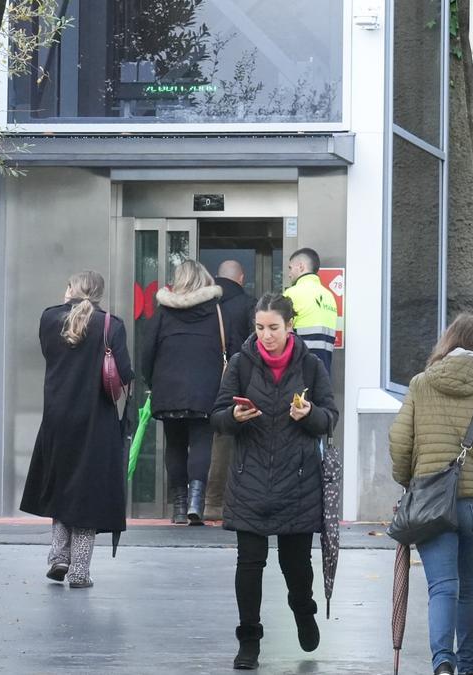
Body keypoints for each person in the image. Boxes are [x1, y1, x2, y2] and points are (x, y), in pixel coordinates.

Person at [388, 314, 473, 675]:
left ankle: (442, 664)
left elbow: (400, 442)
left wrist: (409, 482)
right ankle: (468, 667)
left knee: (442, 587)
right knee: (469, 587)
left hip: (432, 502)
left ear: (447, 344)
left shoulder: (420, 384)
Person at [211, 293, 338, 670]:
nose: (266, 335)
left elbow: (330, 418)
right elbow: (217, 417)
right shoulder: (241, 364)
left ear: (289, 326)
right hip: (249, 480)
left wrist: (310, 413)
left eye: (273, 328)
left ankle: (303, 608)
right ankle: (248, 639)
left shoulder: (311, 366)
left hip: (298, 483)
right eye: (260, 328)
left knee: (296, 565)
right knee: (249, 564)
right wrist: (234, 415)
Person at [19, 271, 133, 589]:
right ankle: (80, 570)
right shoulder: (112, 325)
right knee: (88, 493)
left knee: (61, 485)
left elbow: (50, 353)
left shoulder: (49, 319)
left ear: (70, 289)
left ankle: (58, 557)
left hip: (57, 418)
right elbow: (124, 372)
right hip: (97, 421)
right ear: (98, 294)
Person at [141, 260, 224, 525]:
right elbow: (230, 347)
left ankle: (178, 507)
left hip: (169, 388)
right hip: (206, 389)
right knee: (201, 442)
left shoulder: (163, 313)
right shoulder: (217, 312)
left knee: (175, 445)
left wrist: (151, 380)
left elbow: (147, 352)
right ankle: (195, 504)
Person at [205, 260, 257, 521]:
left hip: (202, 382)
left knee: (210, 440)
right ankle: (236, 500)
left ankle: (205, 501)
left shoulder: (204, 305)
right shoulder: (248, 304)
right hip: (239, 380)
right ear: (242, 277)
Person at [283, 247, 337, 375]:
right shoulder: (330, 296)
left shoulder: (292, 293)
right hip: (324, 372)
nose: (289, 274)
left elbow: (280, 333)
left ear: (301, 267)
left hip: (298, 372)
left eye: (290, 268)